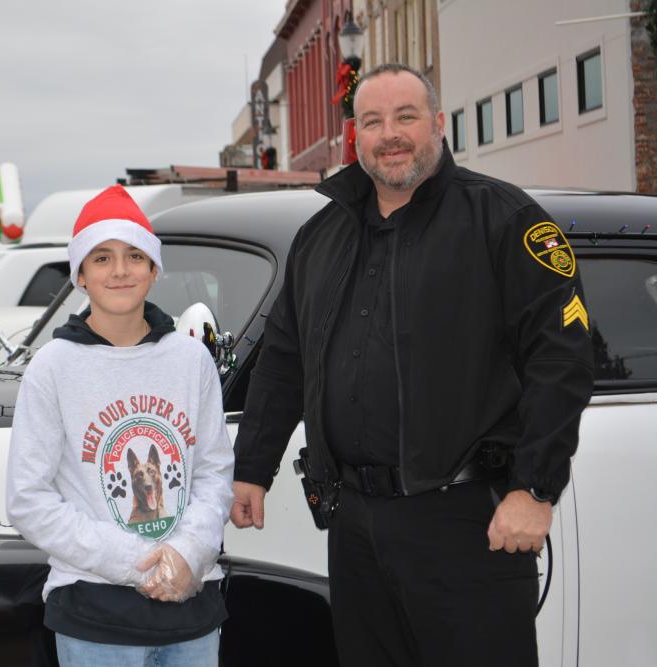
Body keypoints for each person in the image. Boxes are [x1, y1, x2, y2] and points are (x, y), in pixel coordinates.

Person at [230, 64, 594, 667]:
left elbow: (563, 356)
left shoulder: (504, 220)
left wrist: (535, 486)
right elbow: (283, 362)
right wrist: (253, 469)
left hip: (468, 522)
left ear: (438, 125)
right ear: (356, 137)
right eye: (373, 121)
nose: (390, 134)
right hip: (354, 525)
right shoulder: (320, 238)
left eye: (406, 117)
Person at [6, 185, 234, 667]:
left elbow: (214, 472)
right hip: (95, 616)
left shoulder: (191, 360)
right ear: (81, 276)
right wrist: (139, 564)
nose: (120, 271)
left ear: (154, 270)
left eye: (134, 256)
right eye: (102, 258)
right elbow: (29, 499)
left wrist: (188, 552)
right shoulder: (53, 367)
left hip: (192, 608)